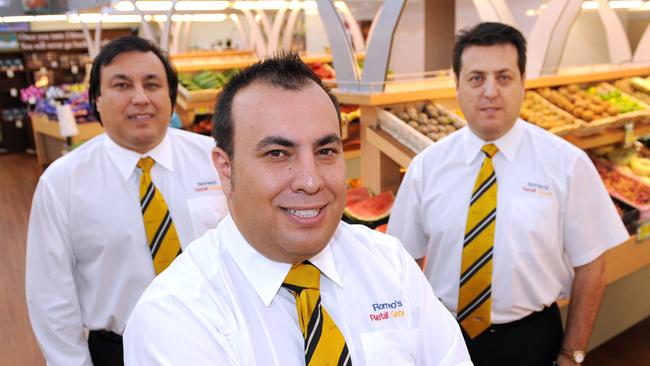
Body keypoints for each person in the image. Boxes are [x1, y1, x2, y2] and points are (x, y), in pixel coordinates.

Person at [123, 53, 472, 365]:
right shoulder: (176, 315)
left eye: (325, 152)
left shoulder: (389, 265)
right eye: (278, 154)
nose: (310, 180)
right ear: (225, 169)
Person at [388, 22, 628, 366]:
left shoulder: (567, 164)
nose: (490, 91)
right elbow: (404, 264)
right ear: (456, 85)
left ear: (522, 83)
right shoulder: (426, 167)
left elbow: (592, 265)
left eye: (503, 77)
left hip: (532, 339)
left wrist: (572, 355)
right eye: (476, 78)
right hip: (442, 335)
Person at [25, 36, 229, 366]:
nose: (140, 98)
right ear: (97, 100)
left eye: (152, 84)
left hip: (221, 340)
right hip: (120, 351)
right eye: (122, 85)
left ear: (171, 98)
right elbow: (51, 298)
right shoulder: (62, 183)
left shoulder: (215, 161)